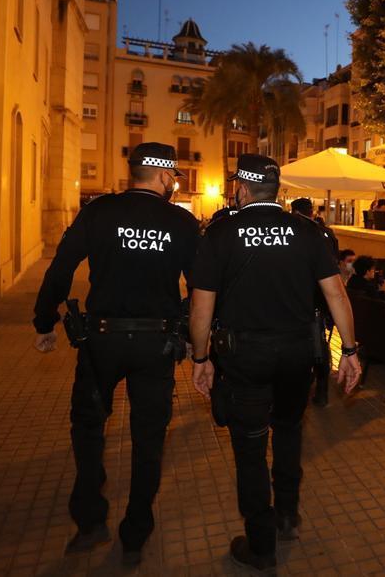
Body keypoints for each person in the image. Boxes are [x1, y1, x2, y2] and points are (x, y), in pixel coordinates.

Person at [188, 153, 361, 572]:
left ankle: (261, 544)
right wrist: (351, 351)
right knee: (288, 432)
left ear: (242, 189)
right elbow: (337, 294)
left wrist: (200, 357)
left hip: (244, 356)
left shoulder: (220, 233)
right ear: (276, 189)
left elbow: (201, 307)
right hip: (297, 355)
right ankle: (287, 514)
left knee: (249, 447)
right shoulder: (306, 232)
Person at [32, 142, 200, 566]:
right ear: (163, 176)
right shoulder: (181, 222)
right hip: (155, 344)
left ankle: (90, 521)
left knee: (88, 428)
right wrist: (189, 330)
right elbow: (202, 287)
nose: (173, 183)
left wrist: (43, 321)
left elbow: (60, 268)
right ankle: (135, 532)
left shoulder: (99, 212)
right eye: (173, 177)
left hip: (101, 341)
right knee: (149, 439)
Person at [291, 197, 338, 407]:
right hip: (322, 299)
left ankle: (308, 385)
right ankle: (322, 389)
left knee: (307, 347)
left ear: (295, 211)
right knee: (320, 345)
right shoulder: (327, 233)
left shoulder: (299, 232)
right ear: (311, 211)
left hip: (302, 300)